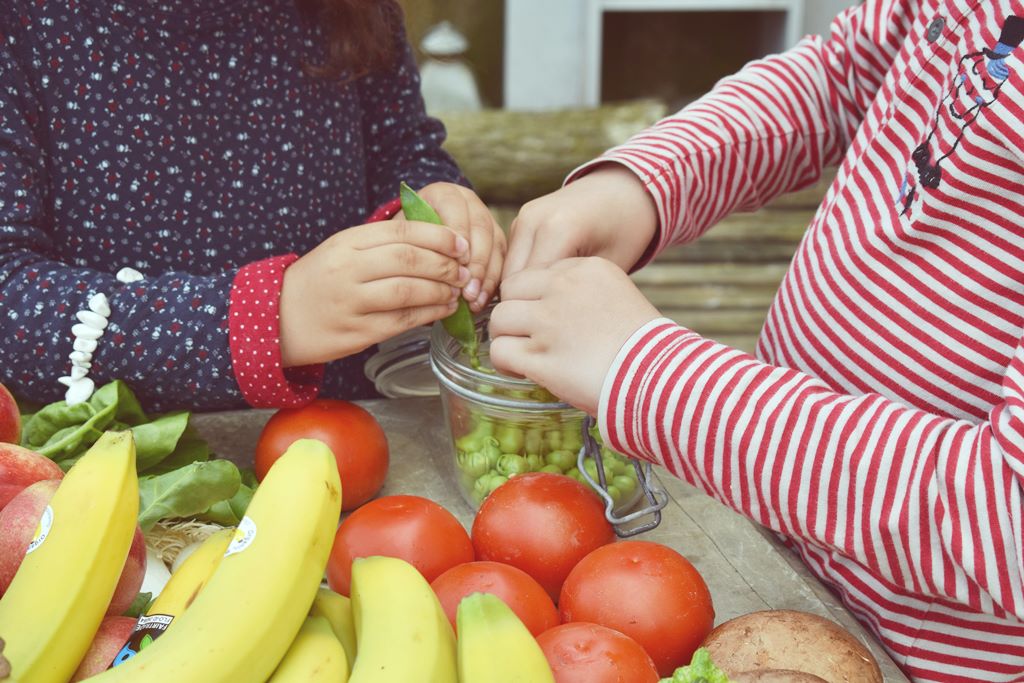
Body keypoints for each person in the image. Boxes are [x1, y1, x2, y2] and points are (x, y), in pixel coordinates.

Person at [489, 2, 1024, 681]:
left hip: (919, 646)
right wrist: (647, 183)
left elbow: (1006, 520)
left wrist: (652, 375)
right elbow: (843, 76)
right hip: (770, 524)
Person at [0, 0, 504, 412]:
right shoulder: (23, 25)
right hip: (131, 465)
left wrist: (432, 205)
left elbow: (403, 151)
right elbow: (10, 297)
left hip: (361, 435)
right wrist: (266, 319)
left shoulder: (350, 9)